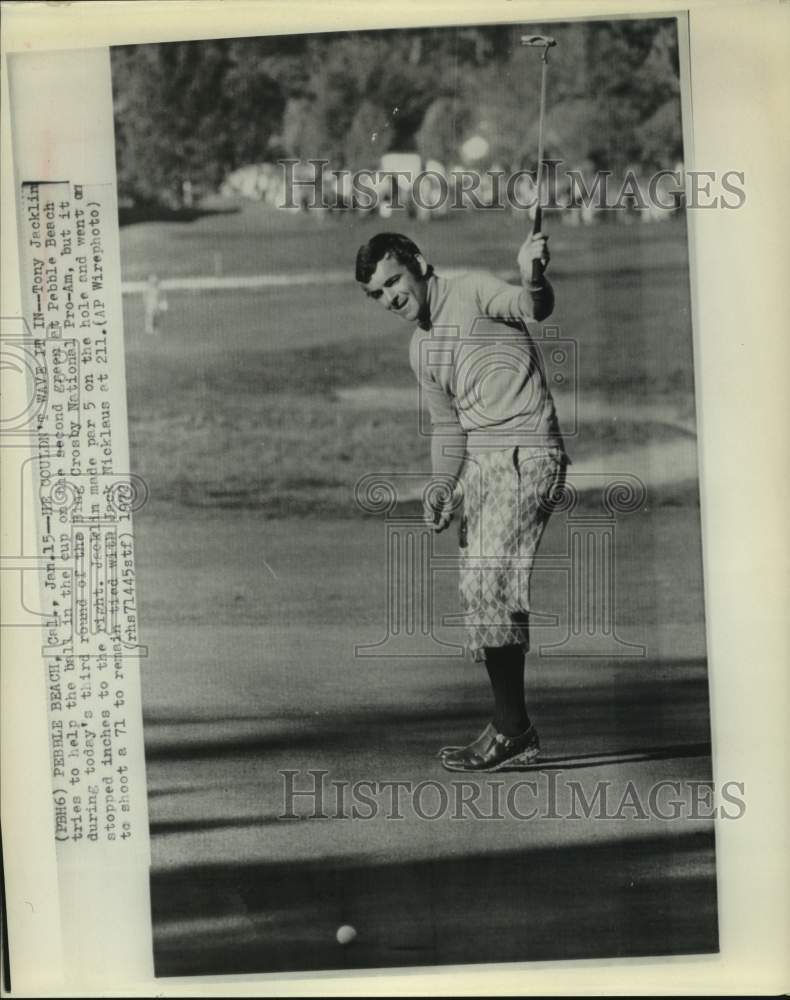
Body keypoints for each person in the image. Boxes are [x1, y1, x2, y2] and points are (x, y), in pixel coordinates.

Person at [355, 230, 568, 771]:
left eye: (393, 282)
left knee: (489, 581)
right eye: (377, 294)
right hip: (478, 468)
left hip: (528, 454)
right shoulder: (421, 349)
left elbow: (532, 307)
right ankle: (515, 731)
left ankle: (512, 731)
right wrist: (441, 486)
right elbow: (448, 429)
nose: (390, 298)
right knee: (483, 593)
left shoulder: (474, 290)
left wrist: (532, 274)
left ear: (419, 265)